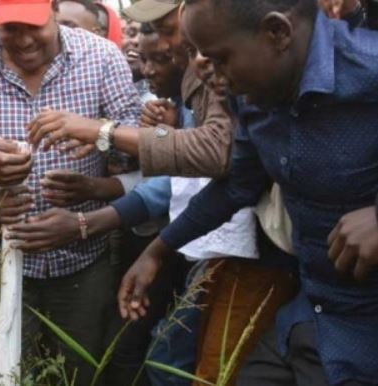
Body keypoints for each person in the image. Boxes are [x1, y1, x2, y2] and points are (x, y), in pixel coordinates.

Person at [120, 0, 378, 385]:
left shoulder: (368, 69)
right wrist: (157, 250)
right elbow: (237, 186)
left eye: (221, 58)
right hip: (314, 312)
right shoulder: (254, 94)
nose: (210, 73)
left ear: (277, 33)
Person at [0, 0, 140, 383]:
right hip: (1, 262)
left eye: (33, 25)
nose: (22, 39)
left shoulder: (101, 58)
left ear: (52, 10)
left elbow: (137, 148)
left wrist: (97, 137)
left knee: (80, 370)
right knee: (8, 372)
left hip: (82, 259)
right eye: (9, 28)